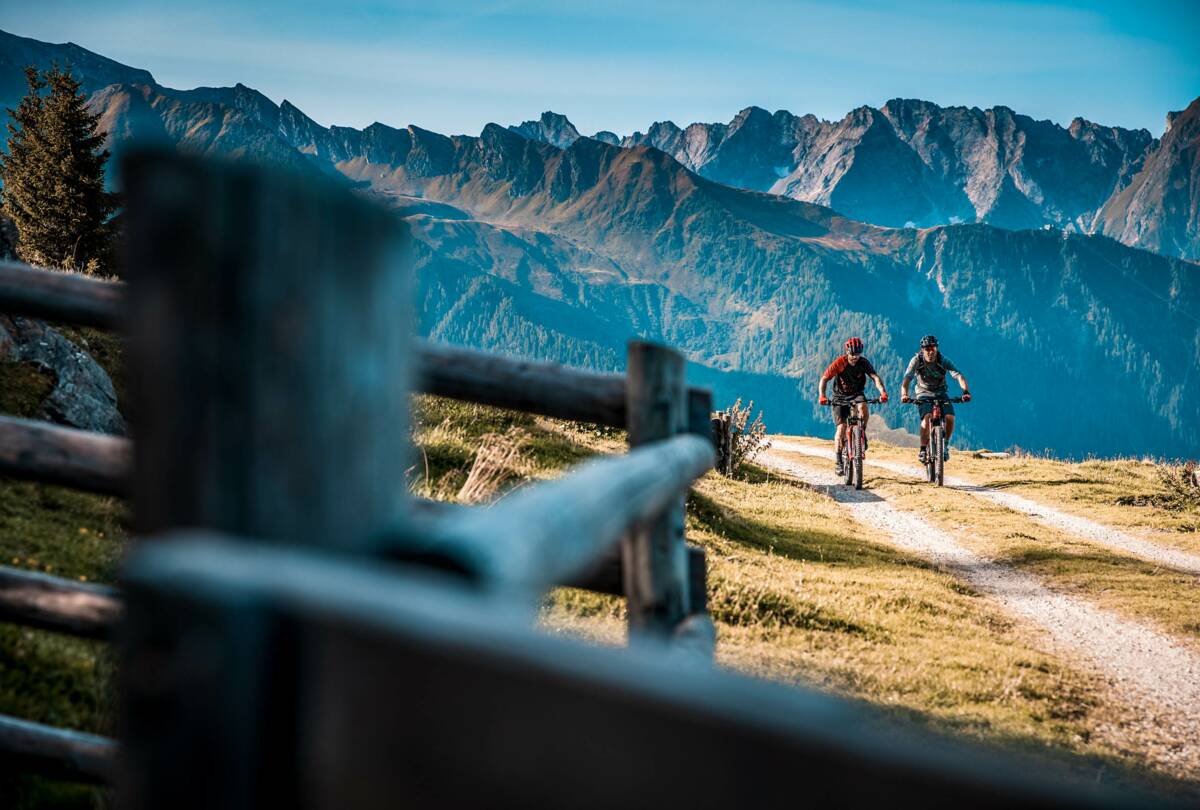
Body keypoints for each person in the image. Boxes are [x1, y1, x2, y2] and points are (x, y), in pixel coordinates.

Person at [818, 337, 888, 475]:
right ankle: (838, 461)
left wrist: (883, 392)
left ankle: (861, 432)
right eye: (852, 354)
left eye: (857, 354)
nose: (855, 357)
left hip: (857, 393)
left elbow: (875, 377)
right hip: (840, 396)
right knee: (841, 428)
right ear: (847, 352)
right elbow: (824, 378)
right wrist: (822, 396)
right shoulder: (840, 363)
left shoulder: (863, 363)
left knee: (863, 408)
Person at [900, 335, 971, 464]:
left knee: (950, 417)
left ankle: (945, 445)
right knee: (926, 419)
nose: (930, 351)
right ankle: (922, 449)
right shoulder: (916, 360)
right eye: (927, 349)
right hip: (923, 393)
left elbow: (959, 375)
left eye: (933, 348)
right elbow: (907, 379)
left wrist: (965, 392)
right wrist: (904, 394)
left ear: (937, 348)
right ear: (922, 349)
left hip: (941, 393)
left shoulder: (942, 360)